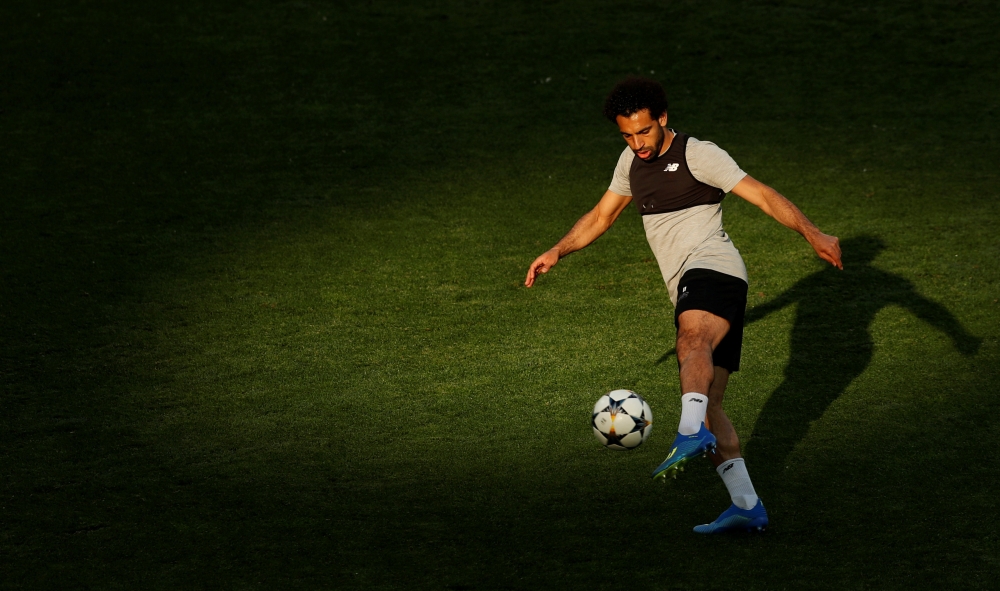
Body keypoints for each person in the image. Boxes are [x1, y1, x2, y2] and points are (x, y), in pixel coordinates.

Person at [524, 77, 842, 534]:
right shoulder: (629, 163)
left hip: (714, 269)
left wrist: (814, 233)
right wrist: (558, 249)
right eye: (627, 135)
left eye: (644, 132)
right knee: (710, 403)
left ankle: (687, 433)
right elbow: (600, 216)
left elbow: (762, 194)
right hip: (693, 285)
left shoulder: (699, 154)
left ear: (663, 120)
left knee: (690, 339)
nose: (638, 143)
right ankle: (747, 505)